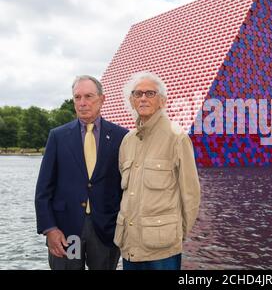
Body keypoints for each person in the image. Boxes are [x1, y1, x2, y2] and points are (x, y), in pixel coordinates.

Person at [35, 75, 128, 270]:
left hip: (105, 232)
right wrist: (49, 229)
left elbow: (127, 187)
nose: (82, 103)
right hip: (67, 234)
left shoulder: (122, 137)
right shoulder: (58, 136)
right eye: (77, 97)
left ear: (102, 99)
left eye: (88, 96)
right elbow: (43, 189)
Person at [114, 71, 201, 270]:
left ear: (162, 100)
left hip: (162, 250)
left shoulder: (177, 137)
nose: (143, 98)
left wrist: (175, 234)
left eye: (150, 93)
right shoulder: (127, 141)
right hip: (130, 246)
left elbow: (191, 195)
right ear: (131, 100)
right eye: (138, 94)